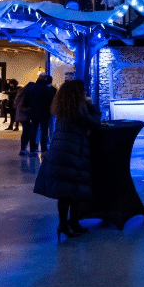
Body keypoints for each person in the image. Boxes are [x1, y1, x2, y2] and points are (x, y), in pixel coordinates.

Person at [33, 80, 101, 240]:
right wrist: (92, 105)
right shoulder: (79, 109)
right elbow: (95, 123)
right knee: (73, 191)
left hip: (60, 150)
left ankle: (67, 224)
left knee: (66, 192)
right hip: (72, 152)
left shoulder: (64, 108)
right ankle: (68, 224)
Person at [21, 74, 57, 154]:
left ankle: (32, 148)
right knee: (44, 131)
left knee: (33, 130)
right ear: (45, 79)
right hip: (44, 112)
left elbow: (26, 99)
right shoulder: (48, 89)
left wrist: (26, 107)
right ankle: (43, 148)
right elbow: (50, 101)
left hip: (33, 112)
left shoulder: (32, 88)